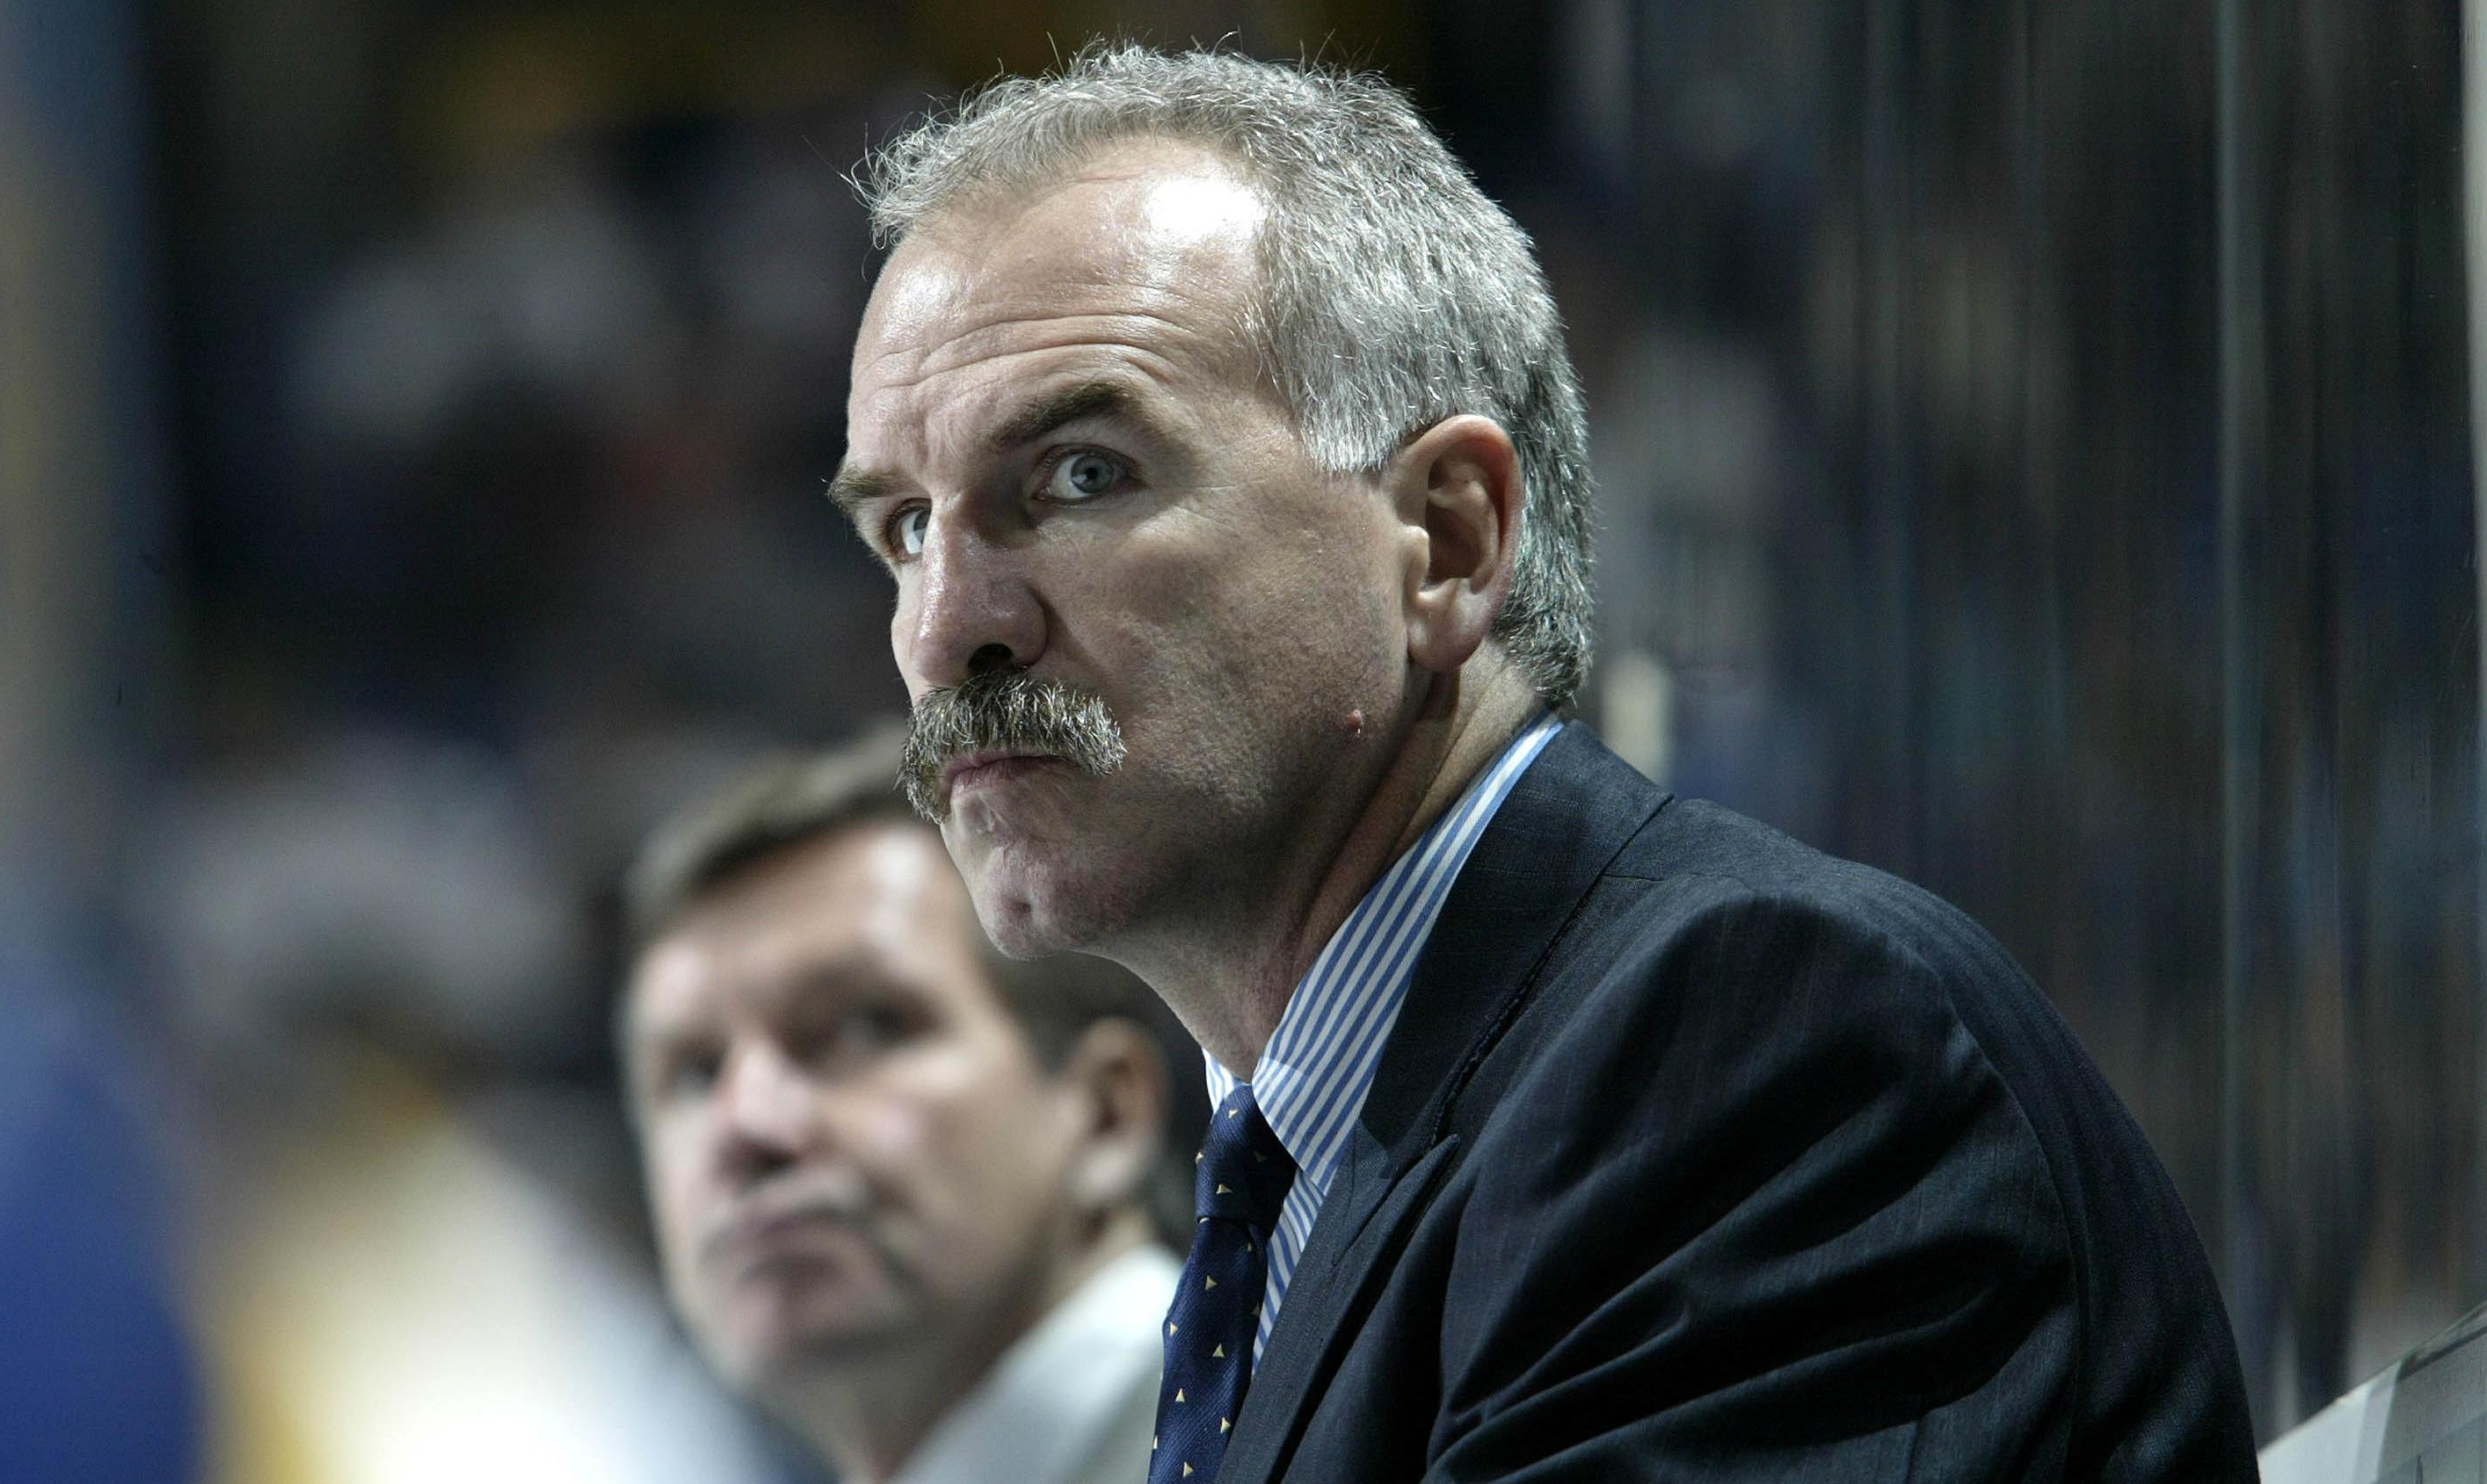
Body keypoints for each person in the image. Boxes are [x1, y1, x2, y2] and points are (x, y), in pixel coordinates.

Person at [828, 42, 2261, 1483]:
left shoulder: (1748, 1047)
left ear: (1446, 539)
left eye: (1081, 475)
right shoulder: (1303, 1184)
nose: (948, 628)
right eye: (902, 528)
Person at [617, 730, 1201, 1484]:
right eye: (693, 1076)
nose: (746, 1124)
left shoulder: (1305, 1427)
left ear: (1104, 1114)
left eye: (865, 1028)